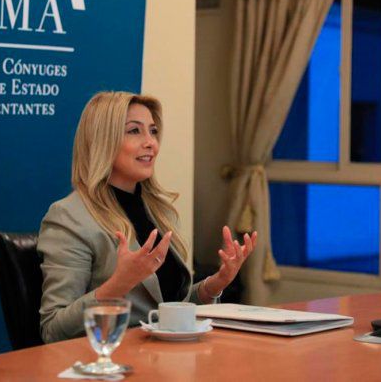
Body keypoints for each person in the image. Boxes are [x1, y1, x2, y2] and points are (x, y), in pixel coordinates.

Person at [37, 91, 257, 343]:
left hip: (169, 356)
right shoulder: (70, 217)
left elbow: (168, 307)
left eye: (153, 131)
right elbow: (53, 330)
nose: (151, 142)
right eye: (134, 131)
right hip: (113, 358)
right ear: (102, 140)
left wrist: (215, 284)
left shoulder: (160, 211)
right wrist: (120, 283)